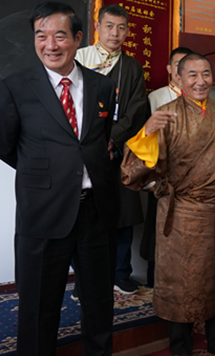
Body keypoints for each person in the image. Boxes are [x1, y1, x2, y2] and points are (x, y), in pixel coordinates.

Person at [0, 2, 122, 356]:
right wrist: (49, 177)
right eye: (41, 36)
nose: (50, 44)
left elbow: (98, 142)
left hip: (95, 210)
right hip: (44, 212)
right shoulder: (15, 86)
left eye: (60, 35)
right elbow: (3, 146)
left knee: (98, 300)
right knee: (39, 301)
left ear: (78, 39)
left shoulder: (101, 86)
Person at [121, 53, 215, 356]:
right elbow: (134, 171)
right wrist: (147, 132)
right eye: (192, 75)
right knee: (181, 281)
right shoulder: (167, 114)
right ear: (177, 77)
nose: (201, 81)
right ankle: (181, 345)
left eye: (206, 74)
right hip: (184, 214)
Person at [76, 4, 150, 295]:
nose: (115, 33)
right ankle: (84, 280)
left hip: (116, 152)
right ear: (97, 27)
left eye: (121, 27)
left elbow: (137, 111)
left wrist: (113, 139)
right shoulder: (79, 58)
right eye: (109, 26)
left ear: (128, 31)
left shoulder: (132, 67)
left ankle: (120, 274)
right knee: (85, 215)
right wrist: (91, 140)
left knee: (122, 213)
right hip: (83, 150)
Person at [140, 46, 193, 287]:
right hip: (162, 180)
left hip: (190, 183)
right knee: (158, 234)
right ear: (170, 68)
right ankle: (154, 284)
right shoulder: (155, 98)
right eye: (178, 65)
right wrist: (151, 182)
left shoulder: (200, 97)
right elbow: (146, 141)